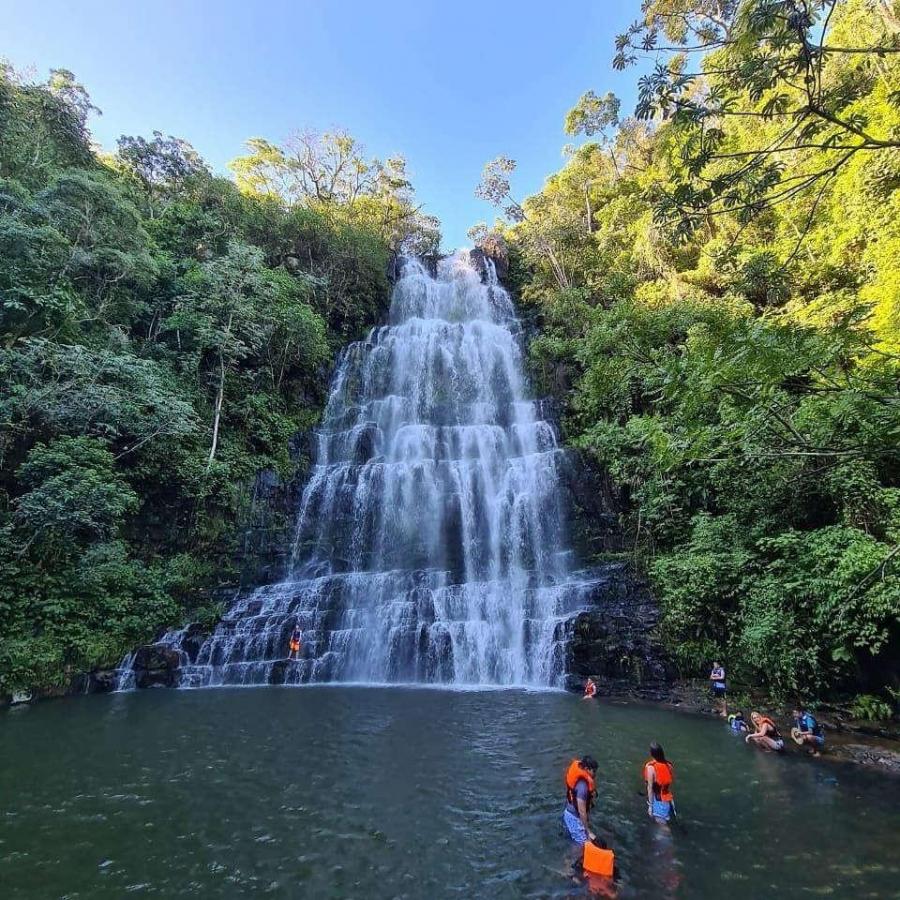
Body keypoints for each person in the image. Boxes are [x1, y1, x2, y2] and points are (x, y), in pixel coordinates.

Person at [563, 756, 599, 846]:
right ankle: (568, 860)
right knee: (581, 846)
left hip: (568, 815)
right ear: (587, 769)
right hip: (574, 818)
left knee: (574, 842)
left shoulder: (580, 777)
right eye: (593, 771)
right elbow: (582, 811)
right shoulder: (583, 786)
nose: (595, 774)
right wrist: (588, 831)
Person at [643, 742, 675, 823]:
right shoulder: (669, 765)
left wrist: (650, 806)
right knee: (663, 822)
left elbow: (650, 788)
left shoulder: (651, 768)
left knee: (662, 825)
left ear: (651, 754)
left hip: (658, 801)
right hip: (668, 799)